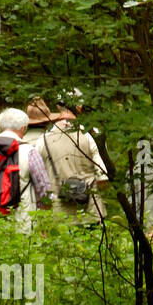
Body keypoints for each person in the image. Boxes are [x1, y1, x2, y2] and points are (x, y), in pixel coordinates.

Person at [36, 91, 110, 224]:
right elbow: (102, 179)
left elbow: (38, 182)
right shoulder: (91, 135)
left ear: (58, 107)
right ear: (80, 106)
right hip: (90, 213)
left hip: (57, 216)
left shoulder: (43, 140)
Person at [0, 107, 52, 232]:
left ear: (0, 126)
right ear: (23, 128)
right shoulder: (29, 152)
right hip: (22, 222)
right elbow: (44, 189)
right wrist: (44, 218)